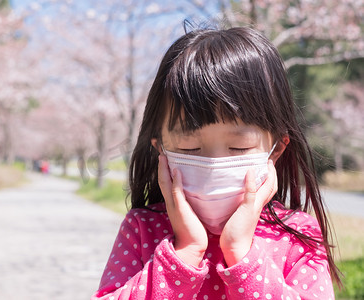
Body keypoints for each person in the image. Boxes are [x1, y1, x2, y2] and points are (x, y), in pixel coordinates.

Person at [92, 26, 340, 300]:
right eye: (189, 146)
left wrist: (241, 253)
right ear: (160, 149)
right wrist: (184, 253)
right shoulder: (142, 229)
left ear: (275, 151)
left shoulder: (298, 236)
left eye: (239, 146)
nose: (213, 164)